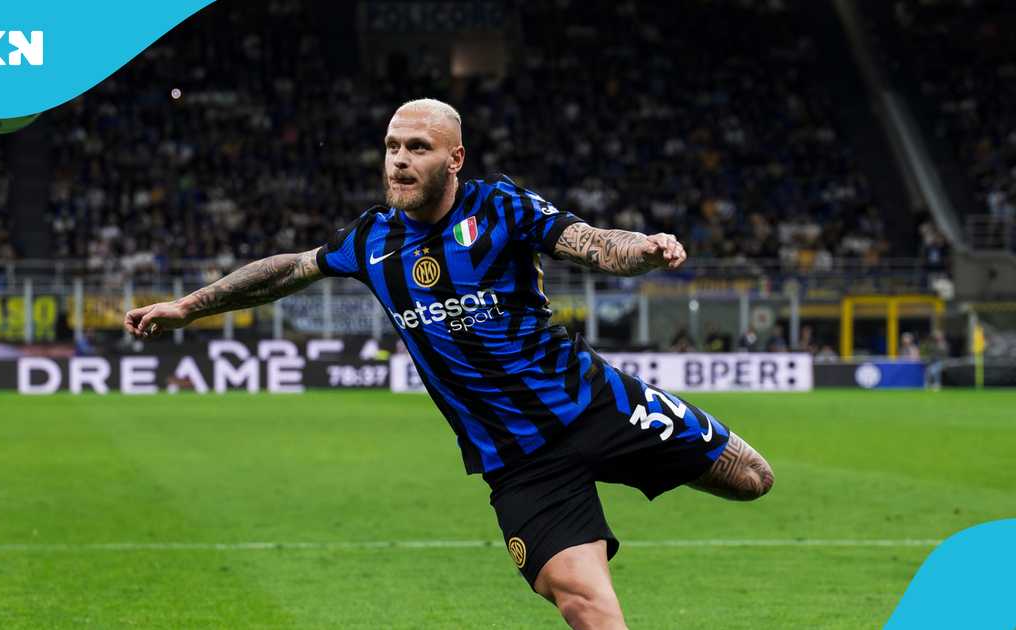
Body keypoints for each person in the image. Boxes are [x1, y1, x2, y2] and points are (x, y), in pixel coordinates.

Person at [124, 99, 774, 629]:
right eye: (392, 147)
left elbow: (597, 245)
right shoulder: (371, 241)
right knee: (582, 599)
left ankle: (667, 437)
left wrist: (648, 251)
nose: (400, 161)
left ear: (454, 158)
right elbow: (286, 271)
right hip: (520, 463)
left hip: (597, 405)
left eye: (417, 148)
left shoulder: (501, 208)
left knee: (751, 479)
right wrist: (189, 306)